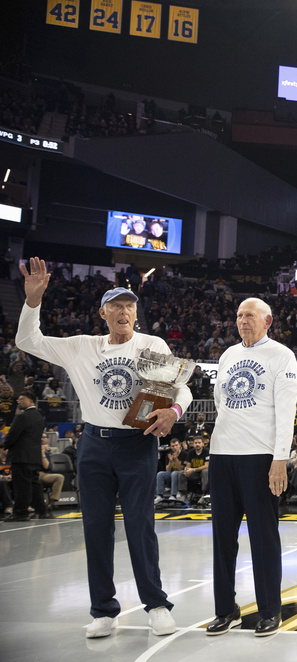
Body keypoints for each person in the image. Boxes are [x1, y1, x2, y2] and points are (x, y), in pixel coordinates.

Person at [17, 259, 189, 639]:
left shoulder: (151, 345)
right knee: (95, 527)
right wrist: (33, 303)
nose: (124, 311)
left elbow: (182, 388)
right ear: (103, 313)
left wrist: (173, 412)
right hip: (94, 444)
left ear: (135, 313)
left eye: (129, 306)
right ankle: (103, 611)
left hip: (137, 444)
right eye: (116, 305)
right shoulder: (81, 348)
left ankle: (156, 605)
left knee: (140, 525)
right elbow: (27, 341)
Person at [205, 297, 297, 638]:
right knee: (222, 539)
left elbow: (286, 412)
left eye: (251, 316)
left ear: (267, 321)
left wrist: (280, 458)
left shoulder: (282, 356)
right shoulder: (228, 355)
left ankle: (270, 611)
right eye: (240, 316)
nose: (243, 321)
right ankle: (225, 609)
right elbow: (220, 402)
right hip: (222, 456)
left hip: (260, 457)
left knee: (263, 538)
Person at [3, 391, 48, 521]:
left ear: (31, 401)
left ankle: (21, 513)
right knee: (34, 484)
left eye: (22, 399)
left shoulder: (22, 417)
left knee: (21, 486)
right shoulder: (39, 416)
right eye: (18, 400)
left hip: (21, 457)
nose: (18, 401)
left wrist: (5, 445)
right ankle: (42, 511)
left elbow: (12, 436)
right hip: (34, 457)